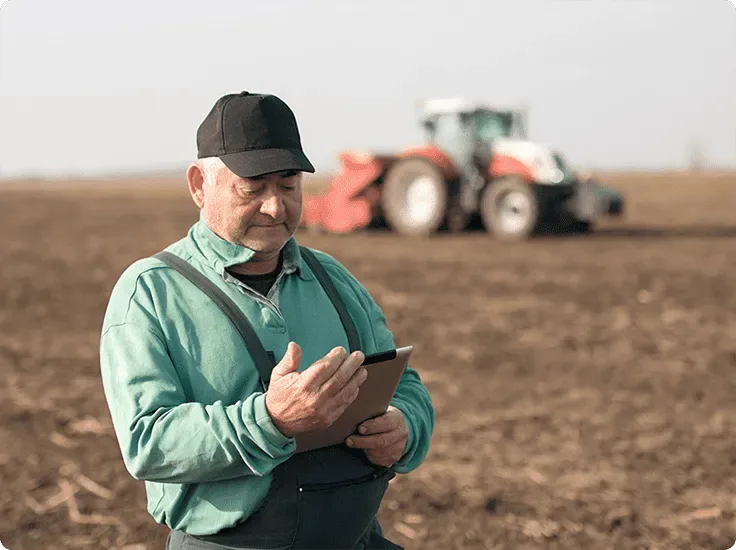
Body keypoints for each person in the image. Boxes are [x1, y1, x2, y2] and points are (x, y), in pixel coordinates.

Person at [99, 91, 435, 550]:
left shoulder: (332, 278)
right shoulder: (151, 293)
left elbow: (405, 383)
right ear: (200, 184)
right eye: (252, 187)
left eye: (288, 184)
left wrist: (406, 425)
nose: (275, 207)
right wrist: (272, 419)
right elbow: (147, 442)